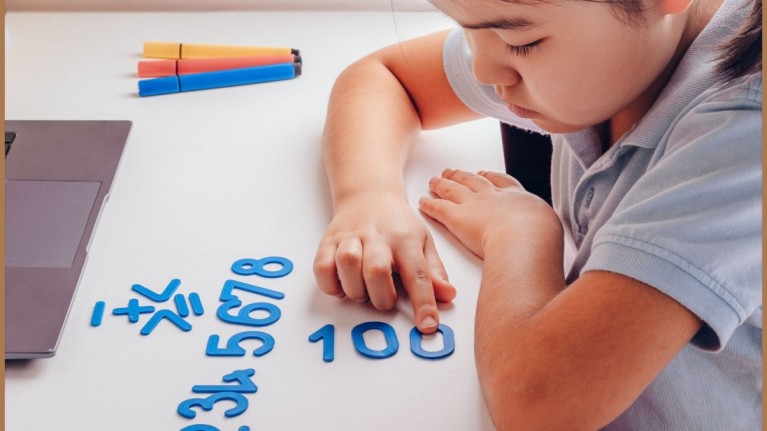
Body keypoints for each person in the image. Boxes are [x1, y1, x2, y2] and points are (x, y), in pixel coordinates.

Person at [313, 0, 762, 428]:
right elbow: (385, 76)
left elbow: (536, 403)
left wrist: (521, 231)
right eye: (470, 31)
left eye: (521, 43)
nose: (483, 72)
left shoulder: (745, 135)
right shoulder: (614, 55)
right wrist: (368, 197)